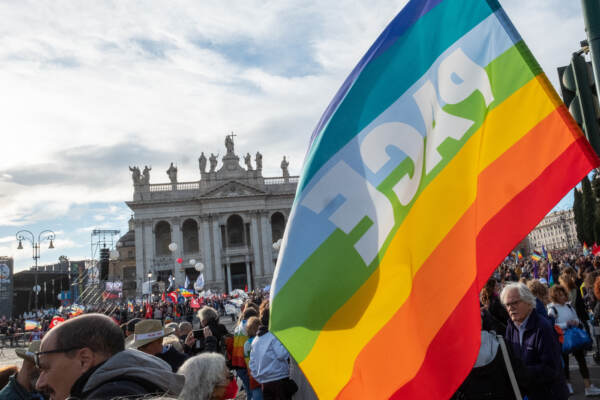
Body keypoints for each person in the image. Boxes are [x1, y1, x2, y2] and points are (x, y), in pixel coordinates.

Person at [35, 313, 184, 399]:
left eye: (46, 368)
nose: (39, 383)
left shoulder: (109, 396)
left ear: (84, 360)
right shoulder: (139, 385)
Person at [501, 282, 568, 400]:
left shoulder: (543, 327)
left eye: (515, 302)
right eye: (507, 304)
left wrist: (521, 372)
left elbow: (551, 368)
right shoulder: (511, 327)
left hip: (548, 394)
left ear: (528, 302)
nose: (511, 307)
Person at [547, 285, 600, 396]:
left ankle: (588, 386)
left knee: (581, 360)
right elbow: (551, 325)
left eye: (563, 294)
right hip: (562, 338)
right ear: (554, 296)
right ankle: (568, 386)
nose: (562, 297)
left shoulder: (569, 307)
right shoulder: (552, 309)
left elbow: (576, 318)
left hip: (575, 337)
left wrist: (576, 322)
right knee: (565, 363)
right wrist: (565, 324)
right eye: (559, 295)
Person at [249, 301, 295, 400]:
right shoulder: (273, 336)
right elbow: (282, 354)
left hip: (265, 383)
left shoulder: (255, 340)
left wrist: (261, 378)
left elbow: (252, 365)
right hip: (279, 379)